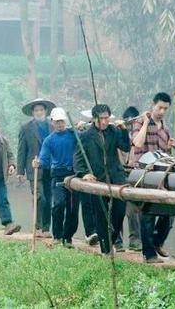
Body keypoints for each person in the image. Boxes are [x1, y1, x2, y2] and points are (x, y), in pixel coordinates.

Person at [73, 104, 130, 255]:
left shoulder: (114, 131)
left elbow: (126, 147)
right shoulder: (86, 135)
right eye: (101, 118)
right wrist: (83, 174)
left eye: (107, 118)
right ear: (94, 119)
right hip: (97, 180)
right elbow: (78, 158)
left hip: (116, 177)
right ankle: (106, 249)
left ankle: (111, 238)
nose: (104, 122)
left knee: (119, 211)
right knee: (101, 215)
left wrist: (124, 130)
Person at [131, 92, 175, 263]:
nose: (162, 111)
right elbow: (137, 142)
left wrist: (171, 146)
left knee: (170, 211)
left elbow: (165, 155)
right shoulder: (139, 121)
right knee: (148, 213)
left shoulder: (165, 128)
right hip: (144, 173)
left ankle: (157, 242)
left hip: (161, 174)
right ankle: (149, 254)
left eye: (165, 108)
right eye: (160, 107)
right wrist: (145, 123)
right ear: (153, 105)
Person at [33, 108, 77, 246]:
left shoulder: (74, 134)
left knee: (73, 208)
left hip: (74, 175)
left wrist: (81, 126)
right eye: (57, 121)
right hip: (58, 175)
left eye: (62, 121)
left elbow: (85, 139)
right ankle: (57, 236)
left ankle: (68, 237)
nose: (60, 124)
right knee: (58, 204)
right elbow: (44, 159)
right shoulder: (49, 140)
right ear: (52, 122)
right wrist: (38, 162)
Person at [17, 98, 55, 238]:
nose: (39, 112)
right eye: (36, 110)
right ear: (32, 112)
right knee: (40, 197)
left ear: (45, 111)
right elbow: (22, 150)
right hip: (34, 168)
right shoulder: (26, 128)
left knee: (49, 198)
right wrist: (20, 171)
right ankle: (37, 227)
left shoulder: (52, 126)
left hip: (50, 168)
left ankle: (46, 228)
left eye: (41, 110)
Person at [120, 106, 141, 251]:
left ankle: (135, 240)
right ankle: (117, 240)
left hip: (134, 176)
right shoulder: (119, 134)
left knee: (133, 210)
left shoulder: (140, 135)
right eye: (128, 121)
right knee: (117, 209)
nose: (130, 123)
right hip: (120, 174)